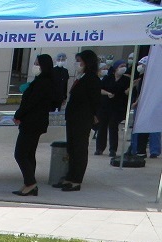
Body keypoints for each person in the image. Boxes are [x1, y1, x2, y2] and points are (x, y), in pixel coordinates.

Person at [55, 50, 100, 192]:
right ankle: (69, 177)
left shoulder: (92, 79)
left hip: (83, 118)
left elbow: (95, 101)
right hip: (73, 117)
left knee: (80, 149)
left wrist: (94, 115)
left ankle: (76, 180)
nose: (77, 64)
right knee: (72, 148)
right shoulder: (81, 76)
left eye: (79, 61)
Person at [12, 54, 57, 196]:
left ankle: (30, 182)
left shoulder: (43, 82)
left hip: (33, 122)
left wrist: (18, 115)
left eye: (38, 64)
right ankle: (29, 183)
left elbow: (31, 103)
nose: (35, 67)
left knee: (20, 153)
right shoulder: (40, 81)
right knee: (29, 154)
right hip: (33, 122)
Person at [94, 60, 130, 158]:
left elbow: (127, 93)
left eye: (124, 66)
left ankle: (113, 149)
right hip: (105, 106)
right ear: (116, 68)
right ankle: (100, 148)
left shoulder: (126, 80)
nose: (123, 68)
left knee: (113, 127)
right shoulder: (107, 78)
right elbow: (100, 90)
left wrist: (129, 90)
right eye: (121, 66)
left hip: (117, 107)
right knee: (102, 127)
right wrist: (108, 93)